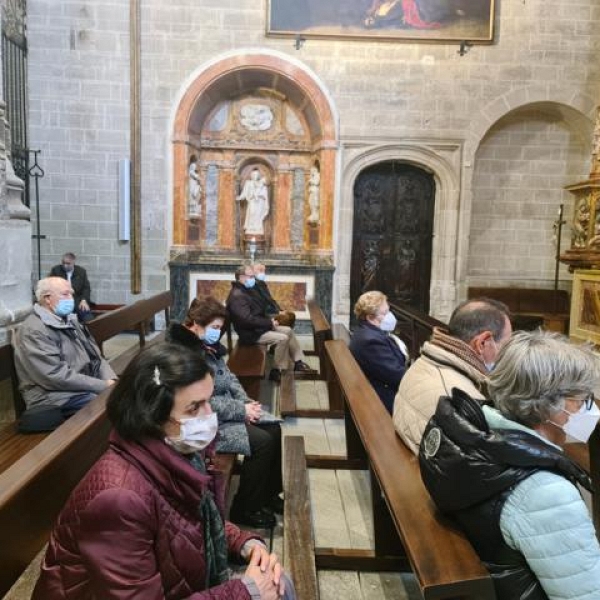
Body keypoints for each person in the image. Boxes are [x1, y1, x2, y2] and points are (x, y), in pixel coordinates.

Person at [33, 342, 295, 600]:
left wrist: (242, 542)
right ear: (152, 415)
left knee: (278, 581)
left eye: (209, 401)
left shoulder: (176, 454)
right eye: (195, 407)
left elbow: (188, 525)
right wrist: (243, 592)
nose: (210, 415)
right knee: (277, 587)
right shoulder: (118, 500)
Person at [419, 331, 600, 600]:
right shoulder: (547, 493)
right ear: (552, 405)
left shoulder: (469, 434)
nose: (590, 409)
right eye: (583, 399)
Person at [167, 296, 283, 529]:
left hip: (222, 411)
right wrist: (241, 410)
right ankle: (245, 508)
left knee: (273, 427)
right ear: (196, 324)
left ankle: (266, 495)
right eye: (215, 328)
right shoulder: (184, 353)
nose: (218, 334)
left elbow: (229, 377)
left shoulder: (207, 347)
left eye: (221, 328)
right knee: (262, 442)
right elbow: (199, 401)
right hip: (198, 422)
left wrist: (246, 402)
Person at [393, 297, 511, 454]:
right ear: (482, 343)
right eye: (506, 345)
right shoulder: (461, 400)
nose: (507, 354)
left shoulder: (426, 361)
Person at [13, 276, 116, 431]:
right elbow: (54, 376)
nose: (71, 299)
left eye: (71, 294)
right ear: (47, 298)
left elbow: (96, 357)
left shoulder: (70, 321)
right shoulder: (34, 330)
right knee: (104, 404)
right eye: (65, 294)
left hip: (78, 386)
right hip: (51, 395)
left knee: (124, 393)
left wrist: (111, 379)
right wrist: (102, 386)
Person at [226, 265, 312, 383]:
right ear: (241, 277)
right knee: (283, 338)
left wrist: (270, 320)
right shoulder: (237, 296)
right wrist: (269, 322)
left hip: (258, 328)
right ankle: (277, 371)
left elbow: (259, 308)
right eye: (251, 276)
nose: (253, 279)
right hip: (250, 334)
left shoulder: (245, 290)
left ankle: (298, 362)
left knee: (288, 330)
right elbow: (247, 320)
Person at [349, 291, 407, 414]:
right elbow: (397, 376)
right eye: (385, 313)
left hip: (381, 388)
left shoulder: (368, 332)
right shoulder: (371, 341)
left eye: (389, 311)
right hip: (381, 399)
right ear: (370, 317)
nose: (390, 316)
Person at [49, 252, 92, 321]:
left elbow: (86, 288)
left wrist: (84, 300)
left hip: (77, 300)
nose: (65, 266)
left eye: (68, 263)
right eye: (63, 263)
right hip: (61, 299)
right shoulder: (56, 270)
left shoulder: (81, 271)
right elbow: (50, 285)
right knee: (56, 318)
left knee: (87, 317)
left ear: (73, 262)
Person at [253, 263, 296, 328]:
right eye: (261, 270)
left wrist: (280, 310)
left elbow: (271, 300)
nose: (263, 273)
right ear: (253, 271)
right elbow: (263, 304)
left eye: (264, 271)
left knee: (291, 315)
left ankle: (287, 334)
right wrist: (277, 312)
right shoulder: (254, 285)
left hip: (272, 311)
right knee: (287, 317)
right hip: (266, 313)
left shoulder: (261, 283)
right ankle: (285, 333)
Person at [237, 168, 269, 236]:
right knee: (252, 213)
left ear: (258, 176)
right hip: (252, 201)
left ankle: (258, 228)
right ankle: (250, 227)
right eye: (254, 174)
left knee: (258, 215)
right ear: (251, 175)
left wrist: (259, 195)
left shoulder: (262, 184)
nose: (255, 176)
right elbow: (245, 193)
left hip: (260, 202)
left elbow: (265, 194)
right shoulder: (248, 183)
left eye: (257, 174)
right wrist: (240, 197)